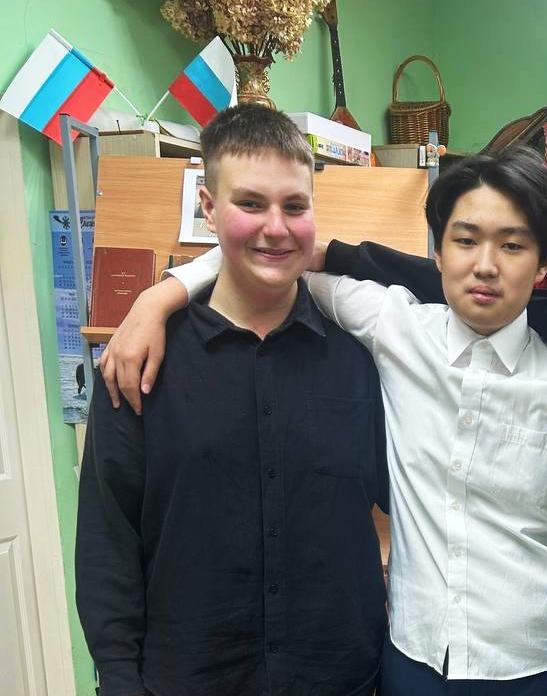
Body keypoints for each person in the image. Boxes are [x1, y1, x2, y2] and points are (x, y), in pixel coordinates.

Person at [100, 139, 547, 695]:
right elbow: (280, 254)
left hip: (541, 664)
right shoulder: (392, 325)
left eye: (513, 245)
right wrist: (162, 293)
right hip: (411, 657)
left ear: (542, 263)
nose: (486, 265)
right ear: (438, 249)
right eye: (466, 240)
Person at [75, 103, 389, 696]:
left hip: (340, 678)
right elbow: (107, 541)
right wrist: (117, 678)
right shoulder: (140, 364)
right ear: (208, 207)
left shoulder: (360, 361)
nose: (276, 227)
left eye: (294, 206)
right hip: (188, 679)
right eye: (250, 203)